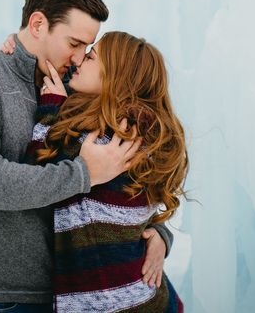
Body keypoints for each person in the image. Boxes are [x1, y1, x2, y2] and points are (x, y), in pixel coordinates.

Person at [0, 0, 172, 313]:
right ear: (37, 24)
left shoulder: (73, 92)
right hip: (3, 299)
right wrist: (84, 173)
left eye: (87, 50)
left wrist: (159, 235)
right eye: (73, 44)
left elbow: (124, 183)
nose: (78, 58)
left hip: (77, 297)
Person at [24, 30, 187, 312]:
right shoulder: (147, 139)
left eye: (92, 56)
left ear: (114, 76)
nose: (80, 58)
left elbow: (37, 173)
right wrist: (161, 234)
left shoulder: (98, 142)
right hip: (150, 298)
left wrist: (51, 110)